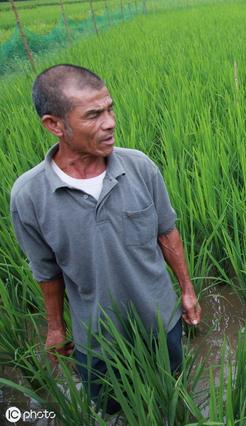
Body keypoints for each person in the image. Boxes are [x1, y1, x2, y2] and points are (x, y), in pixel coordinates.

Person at [9, 64, 201, 413]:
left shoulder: (139, 167)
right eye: (94, 115)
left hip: (160, 319)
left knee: (172, 397)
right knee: (113, 410)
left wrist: (186, 289)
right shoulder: (30, 196)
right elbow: (46, 270)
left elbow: (166, 232)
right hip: (97, 338)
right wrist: (55, 328)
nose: (110, 122)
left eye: (110, 108)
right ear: (55, 125)